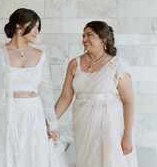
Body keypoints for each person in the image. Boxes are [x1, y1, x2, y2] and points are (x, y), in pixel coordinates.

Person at [0, 8, 63, 167]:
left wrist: (52, 124)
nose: (36, 31)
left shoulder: (41, 55)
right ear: (19, 27)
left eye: (38, 27)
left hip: (33, 115)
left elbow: (46, 94)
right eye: (33, 26)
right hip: (6, 115)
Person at [55, 21, 138, 167]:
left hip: (110, 126)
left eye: (89, 35)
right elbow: (66, 97)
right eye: (83, 35)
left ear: (103, 39)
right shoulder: (74, 64)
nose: (84, 39)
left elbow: (128, 102)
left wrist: (127, 136)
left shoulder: (118, 65)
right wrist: (51, 122)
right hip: (83, 124)